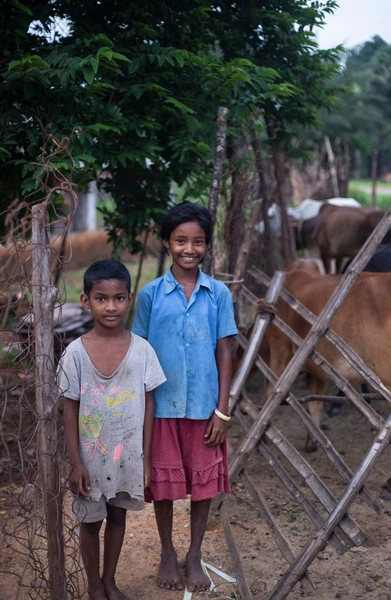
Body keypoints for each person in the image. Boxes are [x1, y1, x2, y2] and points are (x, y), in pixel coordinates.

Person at [132, 202, 238, 593]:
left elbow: (225, 350)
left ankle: (194, 553)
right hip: (161, 407)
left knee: (203, 485)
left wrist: (222, 410)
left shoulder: (218, 293)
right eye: (180, 240)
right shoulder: (150, 295)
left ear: (207, 246)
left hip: (204, 408)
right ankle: (165, 550)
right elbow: (139, 350)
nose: (188, 249)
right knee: (164, 484)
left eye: (197, 241)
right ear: (166, 243)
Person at [59, 260, 166, 600]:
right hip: (90, 462)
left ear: (130, 299)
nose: (110, 306)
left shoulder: (142, 351)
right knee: (91, 522)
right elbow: (70, 409)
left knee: (118, 517)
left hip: (127, 456)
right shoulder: (75, 354)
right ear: (85, 300)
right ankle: (93, 586)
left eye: (119, 298)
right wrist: (76, 462)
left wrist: (146, 458)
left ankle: (110, 581)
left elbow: (150, 406)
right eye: (101, 298)